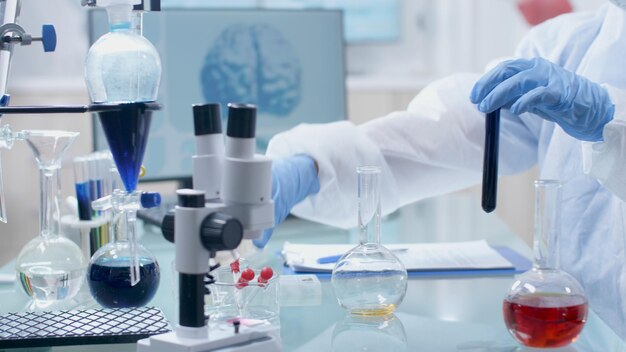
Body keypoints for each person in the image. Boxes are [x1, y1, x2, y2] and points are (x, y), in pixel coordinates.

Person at [257, 1, 626, 336]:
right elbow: (454, 130)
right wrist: (315, 166)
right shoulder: (567, 43)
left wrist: (611, 123)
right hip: (578, 329)